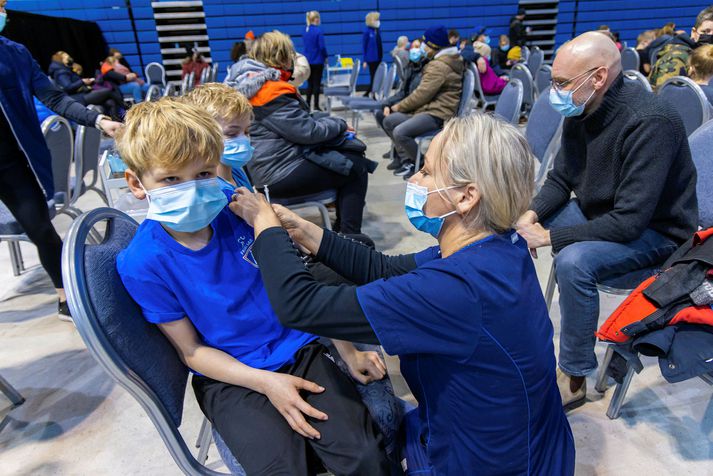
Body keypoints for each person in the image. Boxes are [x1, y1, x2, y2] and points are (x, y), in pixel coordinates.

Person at [229, 113, 576, 475]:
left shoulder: (452, 290)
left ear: (466, 196)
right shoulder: (498, 246)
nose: (414, 179)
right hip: (521, 441)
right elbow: (385, 269)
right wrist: (307, 232)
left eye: (426, 172)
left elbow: (299, 306)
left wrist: (265, 227)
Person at [114, 98, 390, 476]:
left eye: (203, 174)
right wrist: (267, 383)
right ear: (137, 183)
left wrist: (348, 351)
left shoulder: (240, 209)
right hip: (232, 375)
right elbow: (191, 351)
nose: (192, 190)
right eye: (171, 179)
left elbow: (301, 290)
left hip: (299, 346)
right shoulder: (143, 262)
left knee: (365, 459)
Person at [516, 31, 698, 408]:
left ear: (598, 77)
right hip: (602, 211)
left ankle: (574, 374)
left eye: (562, 83)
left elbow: (629, 222)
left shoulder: (651, 122)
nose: (556, 93)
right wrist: (529, 216)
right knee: (511, 232)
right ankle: (517, 328)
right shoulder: (583, 106)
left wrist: (548, 236)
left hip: (657, 232)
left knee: (574, 261)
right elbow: (562, 178)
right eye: (554, 82)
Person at [0, 0, 122, 321]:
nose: (4, 14)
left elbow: (53, 96)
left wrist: (98, 121)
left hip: (14, 163)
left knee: (40, 229)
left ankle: (64, 297)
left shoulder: (14, 53)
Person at [225, 31, 372, 234]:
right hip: (277, 172)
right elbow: (308, 132)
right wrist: (339, 124)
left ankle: (344, 230)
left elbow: (300, 120)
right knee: (354, 166)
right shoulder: (269, 91)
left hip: (268, 165)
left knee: (345, 158)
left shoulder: (251, 82)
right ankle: (351, 237)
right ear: (282, 56)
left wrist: (328, 120)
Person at [382, 25, 464, 179]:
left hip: (438, 113)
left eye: (425, 43)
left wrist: (399, 106)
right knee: (389, 121)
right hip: (427, 108)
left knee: (400, 132)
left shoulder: (439, 66)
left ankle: (423, 166)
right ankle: (407, 160)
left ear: (434, 45)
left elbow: (422, 95)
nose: (422, 46)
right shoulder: (439, 61)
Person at [183, 83, 254, 190]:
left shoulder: (237, 171)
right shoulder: (209, 190)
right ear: (200, 134)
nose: (244, 139)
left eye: (247, 131)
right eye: (231, 134)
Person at [377, 40, 427, 173]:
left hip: (417, 108)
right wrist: (387, 104)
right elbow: (403, 92)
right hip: (407, 105)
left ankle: (408, 159)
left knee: (391, 121)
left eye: (417, 47)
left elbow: (418, 97)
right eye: (413, 47)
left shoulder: (428, 69)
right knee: (380, 113)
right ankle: (401, 154)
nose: (414, 50)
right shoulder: (411, 66)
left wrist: (398, 107)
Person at [649, 6, 713, 89]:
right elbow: (663, 96)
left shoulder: (706, 59)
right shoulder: (677, 57)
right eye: (705, 31)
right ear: (694, 33)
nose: (710, 36)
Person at [48, 51, 124, 120]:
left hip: (81, 94)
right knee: (108, 91)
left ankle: (116, 122)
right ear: (60, 59)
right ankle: (128, 109)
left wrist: (84, 82)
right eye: (66, 57)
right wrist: (82, 81)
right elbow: (68, 87)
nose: (69, 58)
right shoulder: (61, 72)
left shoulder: (66, 69)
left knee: (110, 102)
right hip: (76, 98)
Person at [303, 10, 328, 110]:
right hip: (317, 60)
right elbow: (322, 47)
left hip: (308, 60)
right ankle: (316, 105)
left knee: (310, 84)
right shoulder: (318, 31)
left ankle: (307, 104)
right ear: (315, 19)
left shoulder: (305, 30)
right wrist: (326, 56)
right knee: (317, 84)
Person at [362, 11, 383, 96]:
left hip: (378, 57)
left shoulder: (377, 31)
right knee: (373, 76)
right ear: (371, 20)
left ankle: (370, 93)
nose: (378, 21)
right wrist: (365, 60)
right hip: (371, 58)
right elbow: (364, 47)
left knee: (376, 77)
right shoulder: (367, 31)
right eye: (376, 19)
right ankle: (369, 93)